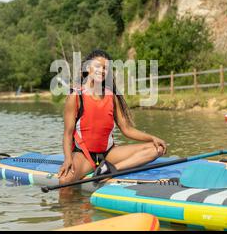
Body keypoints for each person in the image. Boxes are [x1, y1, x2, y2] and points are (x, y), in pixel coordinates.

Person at [58, 49, 168, 184]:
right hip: (84, 156)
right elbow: (67, 134)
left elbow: (126, 129)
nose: (102, 70)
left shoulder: (112, 96)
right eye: (97, 66)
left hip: (109, 155)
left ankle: (111, 169)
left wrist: (152, 138)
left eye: (105, 68)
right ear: (87, 68)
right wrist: (68, 159)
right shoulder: (76, 96)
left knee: (157, 149)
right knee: (64, 181)